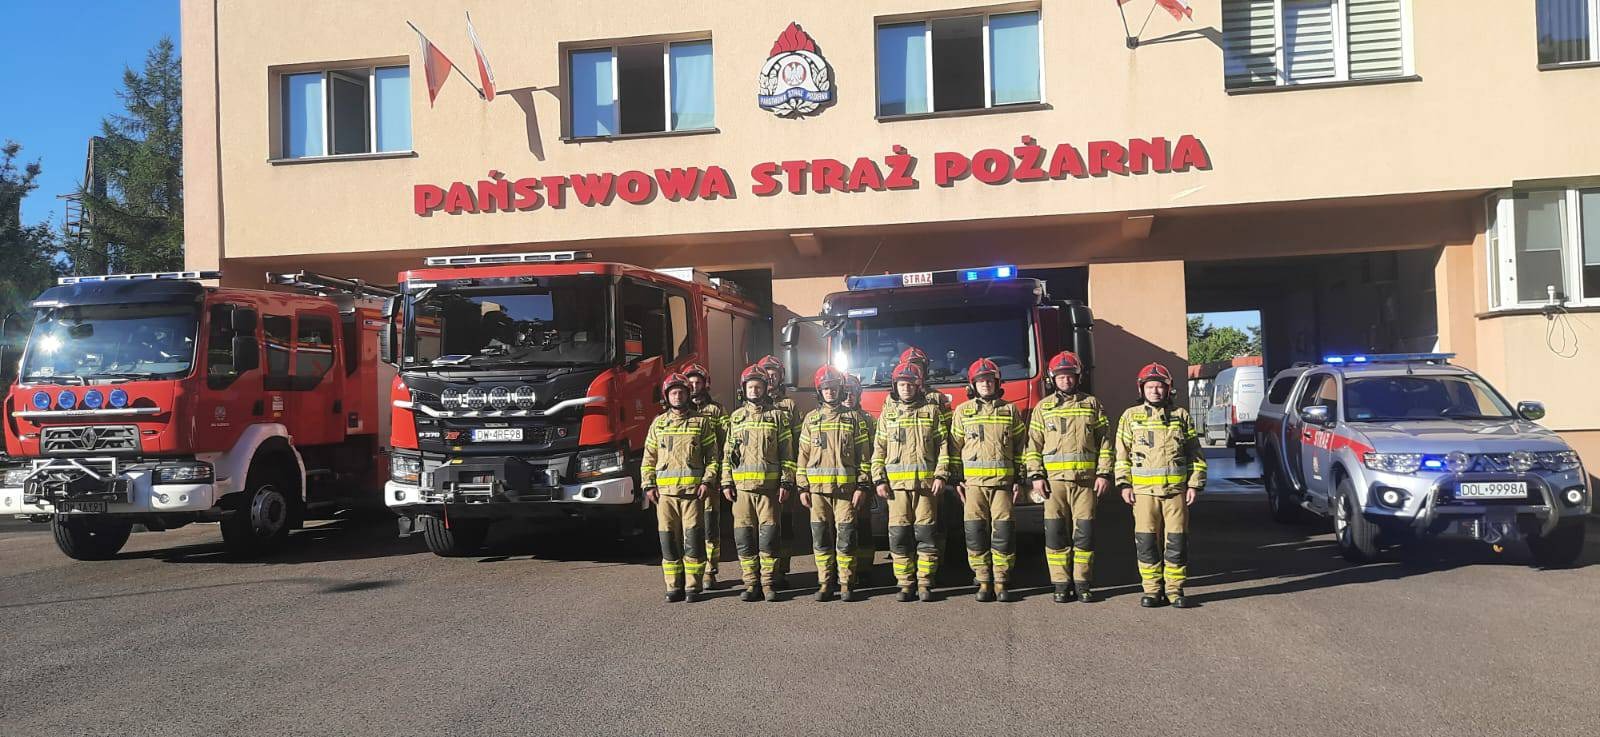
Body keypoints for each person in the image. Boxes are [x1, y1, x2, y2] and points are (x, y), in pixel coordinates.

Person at [1114, 362, 1207, 609]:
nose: (1155, 391)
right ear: (1141, 389)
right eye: (1150, 387)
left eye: (1159, 387)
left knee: (1176, 541)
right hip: (1143, 493)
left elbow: (1195, 453)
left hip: (1176, 492)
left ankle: (1175, 590)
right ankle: (1152, 589)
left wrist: (1194, 485)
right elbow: (1121, 454)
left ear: (1168, 389)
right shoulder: (1130, 417)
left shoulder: (1181, 416)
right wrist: (1124, 484)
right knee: (1146, 542)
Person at [1024, 351, 1113, 603]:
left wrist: (1104, 473)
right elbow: (1033, 446)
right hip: (1053, 484)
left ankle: (1083, 583)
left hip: (1086, 482)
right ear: (1053, 379)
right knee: (1055, 535)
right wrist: (1036, 476)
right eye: (1061, 376)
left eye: (1070, 375)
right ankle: (1061, 584)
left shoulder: (1092, 405)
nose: (1066, 380)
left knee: (1084, 534)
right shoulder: (1043, 408)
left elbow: (1105, 443)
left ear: (1078, 377)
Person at [871, 361, 952, 602]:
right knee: (899, 537)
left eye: (910, 384)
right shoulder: (888, 415)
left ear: (918, 386)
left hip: (926, 487)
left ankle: (925, 582)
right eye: (901, 385)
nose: (906, 388)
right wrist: (879, 479)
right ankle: (905, 584)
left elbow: (943, 447)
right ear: (895, 387)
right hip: (896, 490)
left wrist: (941, 475)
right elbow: (879, 450)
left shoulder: (932, 412)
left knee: (926, 535)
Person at [948, 358, 1028, 602]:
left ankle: (1001, 580)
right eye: (981, 381)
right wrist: (957, 479)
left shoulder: (1010, 411)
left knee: (1003, 533)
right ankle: (983, 580)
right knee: (975, 533)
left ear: (997, 383)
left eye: (990, 380)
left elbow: (1021, 448)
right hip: (973, 486)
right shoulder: (963, 411)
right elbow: (954, 448)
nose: (986, 384)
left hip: (1003, 485)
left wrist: (1020, 478)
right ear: (973, 385)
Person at [640, 373, 720, 603]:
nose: (678, 396)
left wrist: (707, 481)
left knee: (693, 541)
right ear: (667, 396)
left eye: (681, 392)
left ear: (688, 395)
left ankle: (693, 587)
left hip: (693, 494)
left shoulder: (701, 423)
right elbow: (648, 459)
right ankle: (673, 586)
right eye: (673, 393)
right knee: (668, 542)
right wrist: (648, 485)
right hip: (665, 496)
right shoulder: (658, 424)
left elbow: (713, 458)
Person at [721, 364, 798, 602]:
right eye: (750, 387)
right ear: (744, 390)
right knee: (744, 539)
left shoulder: (778, 417)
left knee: (769, 539)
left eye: (758, 387)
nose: (754, 391)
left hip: (769, 490)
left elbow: (787, 453)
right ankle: (751, 584)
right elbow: (728, 454)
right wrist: (726, 482)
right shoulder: (736, 418)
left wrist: (786, 482)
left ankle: (768, 583)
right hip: (742, 491)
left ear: (766, 388)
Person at [796, 366, 873, 601]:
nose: (830, 392)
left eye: (834, 388)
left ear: (841, 390)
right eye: (826, 388)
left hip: (846, 492)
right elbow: (803, 456)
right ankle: (825, 583)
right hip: (817, 493)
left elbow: (864, 456)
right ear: (819, 391)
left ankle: (847, 583)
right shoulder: (811, 419)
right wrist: (802, 486)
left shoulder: (853, 419)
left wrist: (862, 486)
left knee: (846, 538)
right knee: (820, 539)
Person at [756, 354, 803, 588]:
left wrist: (791, 476)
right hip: (761, 476)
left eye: (774, 374)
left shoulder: (789, 406)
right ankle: (763, 570)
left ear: (781, 377)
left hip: (784, 474)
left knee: (784, 523)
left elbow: (798, 440)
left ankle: (782, 569)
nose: (771, 378)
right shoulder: (751, 406)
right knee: (762, 526)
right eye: (767, 374)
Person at [684, 363, 727, 591]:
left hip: (710, 478)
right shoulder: (676, 413)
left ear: (705, 384)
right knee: (690, 528)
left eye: (697, 382)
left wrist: (719, 476)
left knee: (710, 526)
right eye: (690, 383)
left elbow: (725, 442)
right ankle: (691, 573)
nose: (694, 386)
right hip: (686, 480)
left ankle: (710, 571)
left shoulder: (717, 411)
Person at [840, 373, 876, 585]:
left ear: (859, 394)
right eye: (845, 393)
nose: (849, 397)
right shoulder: (831, 419)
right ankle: (843, 569)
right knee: (842, 528)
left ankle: (864, 567)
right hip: (840, 483)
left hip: (863, 480)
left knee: (863, 524)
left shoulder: (869, 420)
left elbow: (875, 451)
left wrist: (868, 481)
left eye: (853, 392)